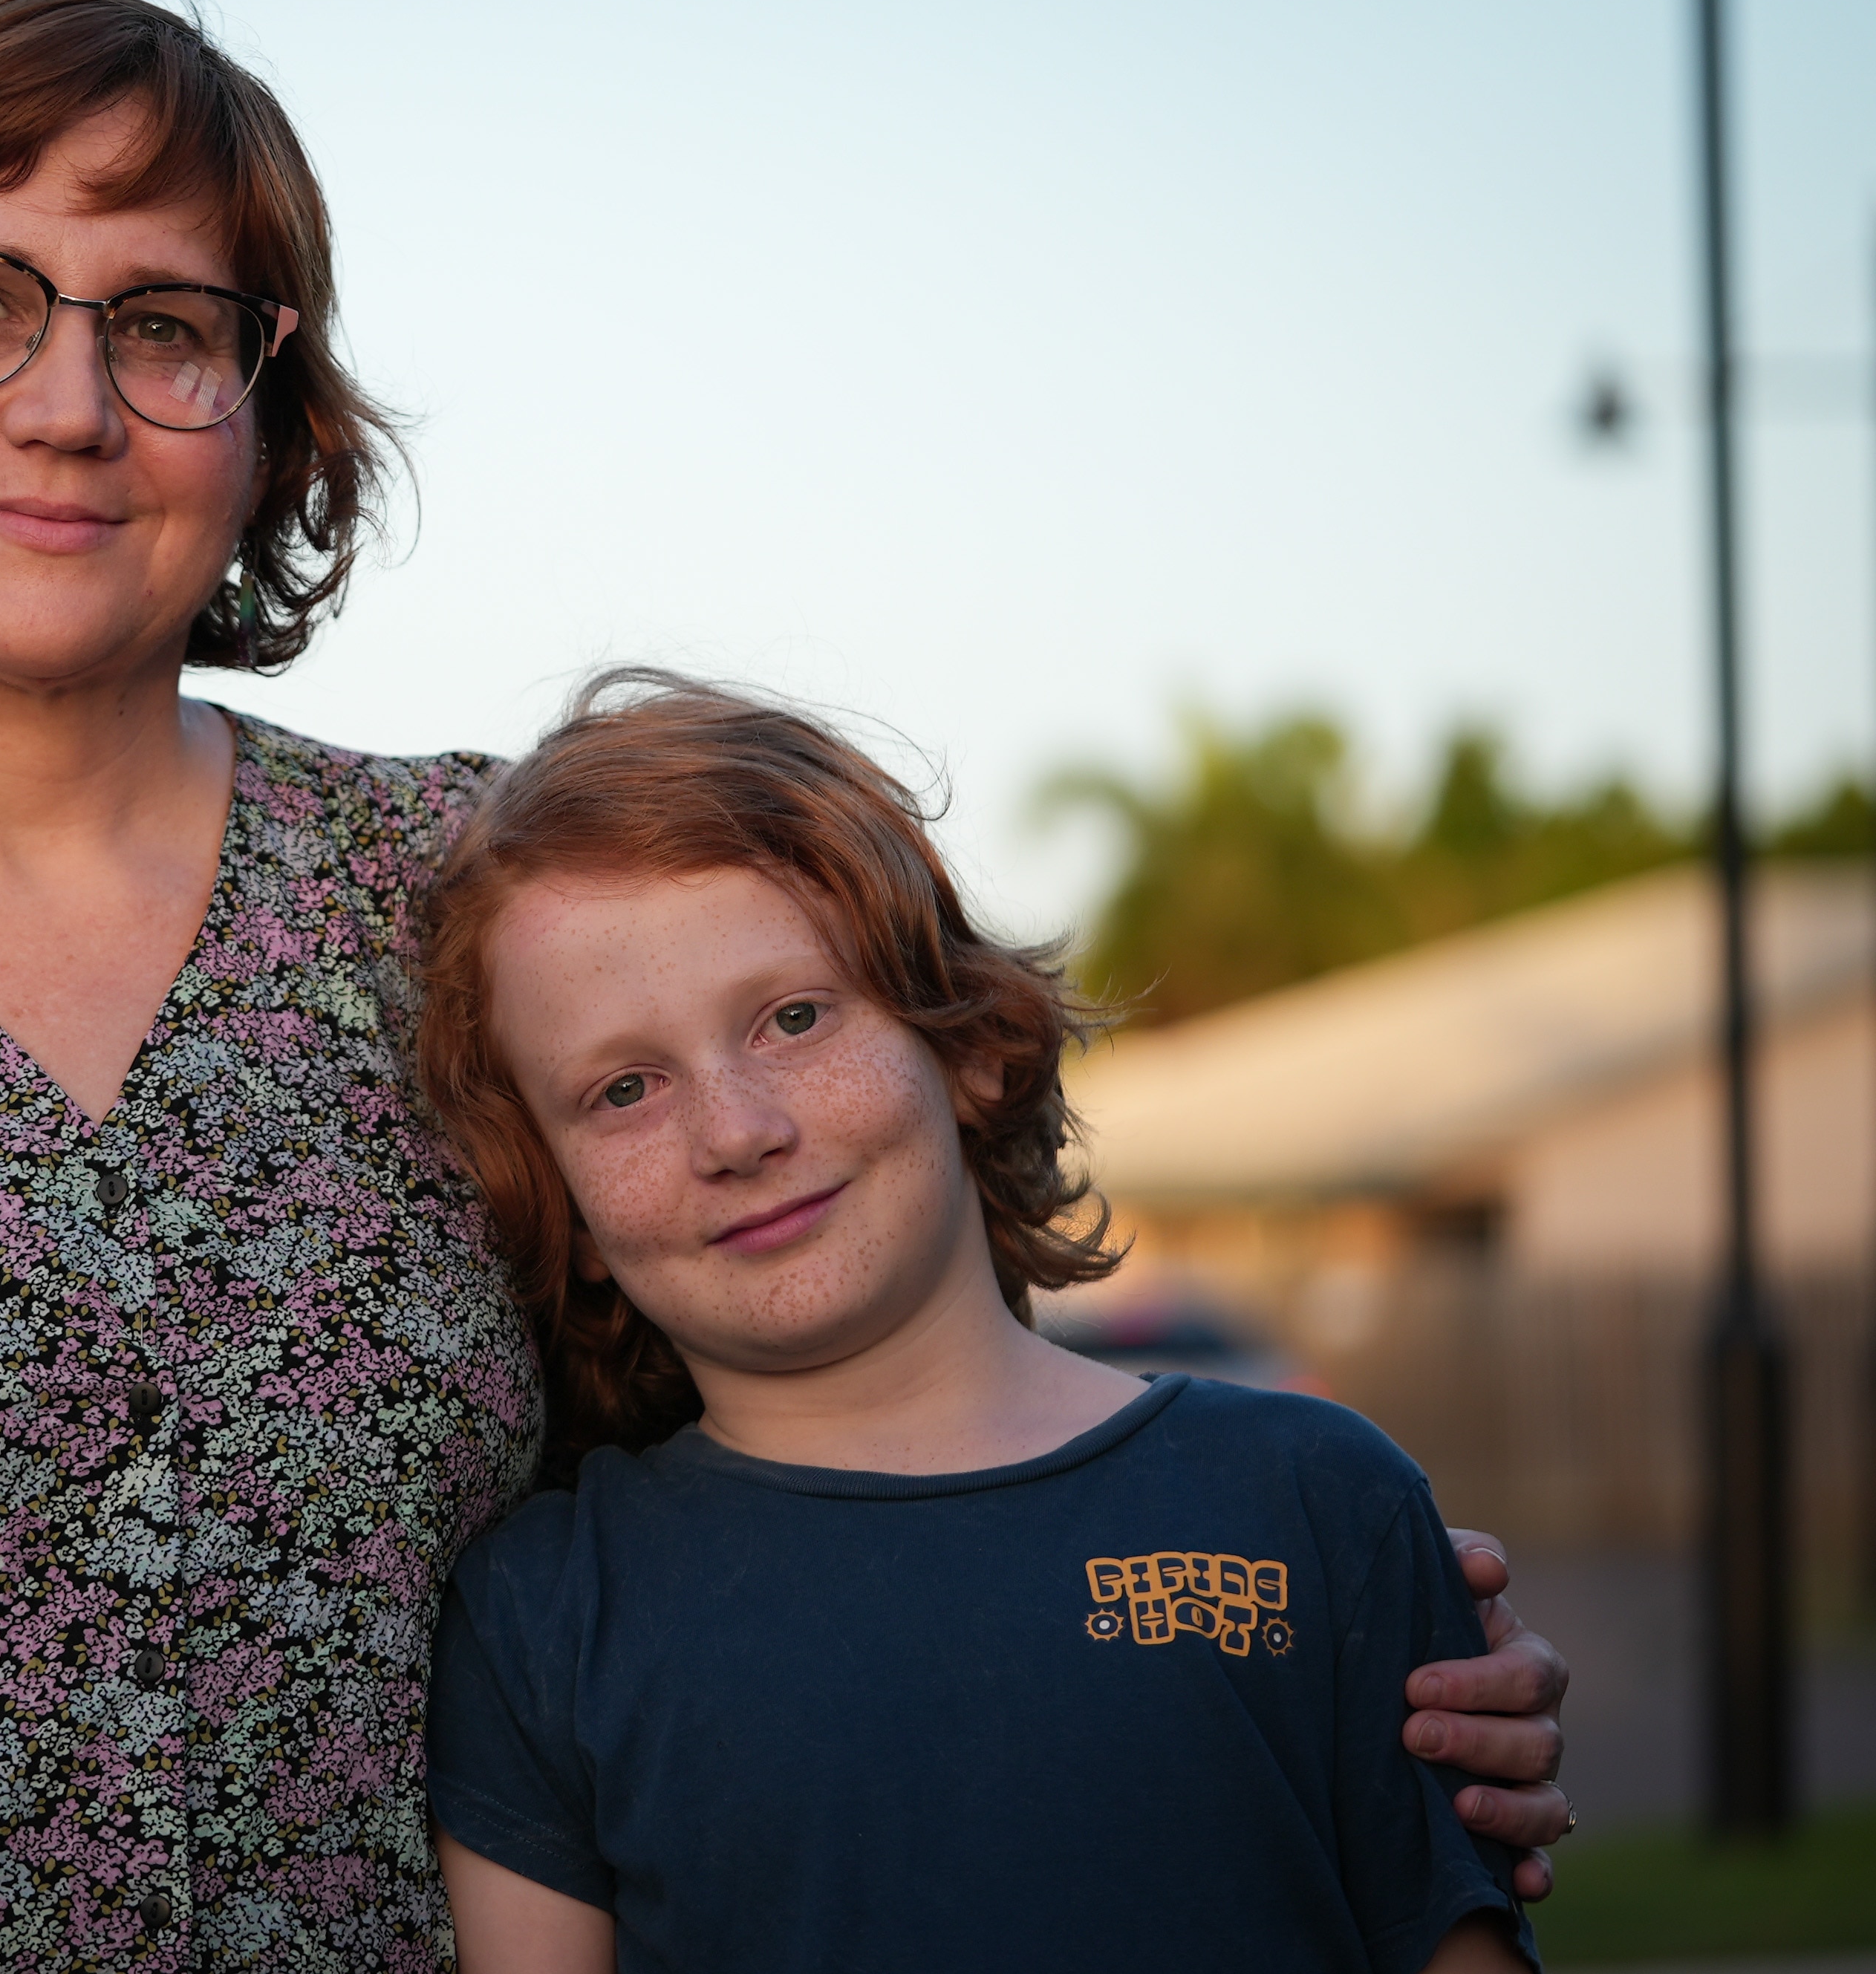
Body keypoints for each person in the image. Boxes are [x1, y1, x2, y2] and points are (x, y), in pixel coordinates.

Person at [0, 0, 1571, 1973]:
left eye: (168, 325)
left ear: (262, 418)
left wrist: (1298, 1643)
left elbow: (806, 1427)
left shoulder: (462, 894)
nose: (71, 402)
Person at [414, 675, 1540, 1974]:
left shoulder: (1319, 1504)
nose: (735, 1131)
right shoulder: (537, 1618)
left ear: (967, 1043)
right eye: (622, 1090)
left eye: (794, 1017)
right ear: (559, 1203)